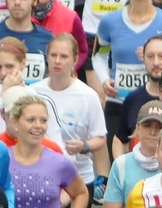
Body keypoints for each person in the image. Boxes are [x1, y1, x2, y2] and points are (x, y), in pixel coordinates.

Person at [5, 94, 91, 208]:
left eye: (43, 120)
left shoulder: (59, 162)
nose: (38, 125)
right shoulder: (1, 159)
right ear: (15, 122)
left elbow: (81, 193)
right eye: (31, 120)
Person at [35, 34, 111, 196]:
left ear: (75, 61)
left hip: (79, 178)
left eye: (64, 56)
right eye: (53, 55)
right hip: (40, 177)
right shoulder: (33, 92)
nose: (57, 61)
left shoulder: (88, 96)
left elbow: (100, 138)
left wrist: (84, 146)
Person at [99, 0, 162, 107]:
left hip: (156, 102)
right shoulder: (109, 21)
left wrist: (152, 56)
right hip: (118, 101)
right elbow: (99, 56)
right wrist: (104, 79)